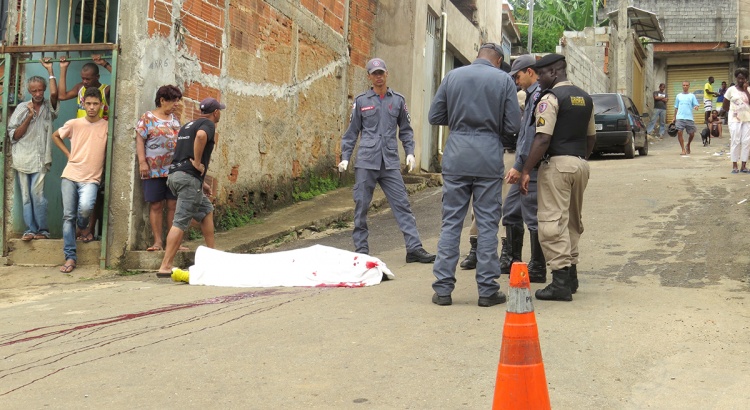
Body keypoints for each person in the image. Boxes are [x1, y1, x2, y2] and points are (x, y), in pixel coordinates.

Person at [428, 43, 520, 307]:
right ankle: (487, 291)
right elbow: (513, 124)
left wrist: (460, 121)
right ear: (499, 60)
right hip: (488, 157)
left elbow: (435, 115)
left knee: (451, 223)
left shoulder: (453, 76)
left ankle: (443, 290)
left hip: (456, 156)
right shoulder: (503, 80)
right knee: (489, 224)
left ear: (476, 56)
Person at [338, 58, 435, 264]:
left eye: (381, 72)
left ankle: (414, 248)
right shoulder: (362, 102)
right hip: (366, 162)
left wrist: (410, 152)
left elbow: (406, 131)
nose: (378, 76)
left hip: (389, 162)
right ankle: (362, 250)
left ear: (387, 74)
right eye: (374, 73)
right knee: (361, 206)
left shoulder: (397, 100)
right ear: (369, 76)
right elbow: (351, 133)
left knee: (402, 204)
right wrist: (345, 157)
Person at [519, 53, 595, 302]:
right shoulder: (585, 97)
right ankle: (571, 277)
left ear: (553, 72)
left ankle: (560, 282)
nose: (538, 79)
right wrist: (579, 159)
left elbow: (542, 138)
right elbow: (591, 137)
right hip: (580, 164)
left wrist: (527, 169)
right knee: (573, 220)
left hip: (558, 165)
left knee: (552, 221)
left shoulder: (550, 99)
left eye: (541, 74)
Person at [156, 98, 225, 277]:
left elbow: (183, 151)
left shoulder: (187, 125)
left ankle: (212, 255)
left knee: (206, 209)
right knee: (180, 221)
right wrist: (196, 161)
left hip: (175, 175)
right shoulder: (208, 125)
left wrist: (202, 183)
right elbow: (201, 137)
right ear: (216, 112)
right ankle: (165, 265)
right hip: (187, 178)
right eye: (219, 111)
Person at [460, 53, 511, 270]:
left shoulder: (513, 96)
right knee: (478, 205)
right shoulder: (480, 95)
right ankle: (475, 248)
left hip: (507, 152)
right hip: (484, 152)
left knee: (506, 204)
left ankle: (507, 251)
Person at [51, 87, 109, 273]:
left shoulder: (107, 126)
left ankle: (83, 227)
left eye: (95, 104)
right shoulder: (74, 123)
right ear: (83, 104)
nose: (92, 107)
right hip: (70, 175)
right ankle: (70, 257)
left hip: (91, 178)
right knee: (68, 216)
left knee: (85, 208)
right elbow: (55, 136)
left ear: (101, 105)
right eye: (88, 104)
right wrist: (68, 154)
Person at [501, 54, 546, 283]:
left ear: (530, 72)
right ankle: (512, 259)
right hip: (524, 164)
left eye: (518, 76)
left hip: (532, 167)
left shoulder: (538, 95)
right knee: (510, 210)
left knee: (532, 216)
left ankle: (538, 266)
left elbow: (531, 135)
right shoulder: (530, 95)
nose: (516, 81)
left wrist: (520, 166)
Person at [7, 58, 59, 241]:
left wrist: (50, 70)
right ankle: (30, 229)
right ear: (29, 91)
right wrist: (29, 116)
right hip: (22, 158)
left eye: (40, 89)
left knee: (38, 195)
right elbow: (13, 135)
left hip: (40, 158)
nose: (38, 93)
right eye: (34, 90)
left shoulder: (48, 107)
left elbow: (55, 94)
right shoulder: (22, 108)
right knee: (26, 197)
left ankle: (43, 231)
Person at [135, 85, 184, 251]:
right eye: (173, 100)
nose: (176, 104)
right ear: (162, 100)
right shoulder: (148, 117)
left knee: (173, 205)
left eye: (178, 100)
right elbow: (140, 139)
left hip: (173, 170)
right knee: (156, 205)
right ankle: (158, 242)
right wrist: (142, 162)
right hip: (153, 169)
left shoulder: (175, 119)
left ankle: (173, 242)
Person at [722, 68, 750, 174]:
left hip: (747, 119)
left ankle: (743, 165)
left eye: (743, 79)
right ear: (736, 78)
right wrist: (733, 112)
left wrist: (746, 90)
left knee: (746, 142)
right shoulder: (731, 90)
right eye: (739, 78)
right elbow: (725, 105)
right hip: (734, 120)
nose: (741, 81)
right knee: (735, 141)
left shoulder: (749, 89)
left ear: (746, 79)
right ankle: (734, 165)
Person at [673, 81, 700, 155]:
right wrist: (674, 117)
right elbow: (676, 107)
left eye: (686, 85)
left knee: (692, 134)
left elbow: (696, 104)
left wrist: (696, 107)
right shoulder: (678, 96)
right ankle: (683, 149)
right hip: (680, 117)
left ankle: (688, 144)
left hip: (689, 117)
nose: (685, 86)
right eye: (684, 85)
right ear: (682, 86)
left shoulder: (692, 96)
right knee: (679, 132)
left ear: (689, 86)